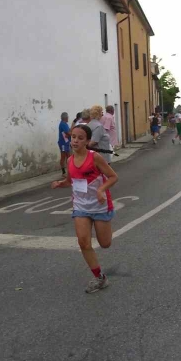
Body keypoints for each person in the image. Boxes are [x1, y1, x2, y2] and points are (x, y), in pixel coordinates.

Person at [51, 124, 118, 294]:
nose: (75, 141)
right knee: (83, 242)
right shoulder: (70, 160)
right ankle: (99, 277)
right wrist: (61, 184)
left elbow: (113, 176)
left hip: (100, 205)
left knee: (105, 243)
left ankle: (104, 229)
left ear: (87, 141)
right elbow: (70, 181)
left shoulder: (95, 158)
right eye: (73, 137)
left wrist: (102, 190)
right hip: (81, 206)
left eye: (80, 138)